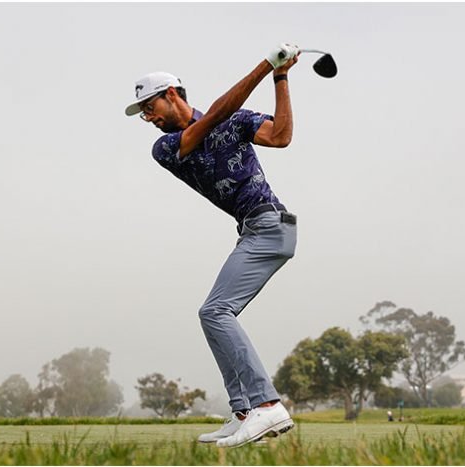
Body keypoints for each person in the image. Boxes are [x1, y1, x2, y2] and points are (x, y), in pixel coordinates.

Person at [125, 43, 300, 447]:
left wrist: (280, 77)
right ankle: (243, 412)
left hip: (271, 225)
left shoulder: (235, 120)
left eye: (149, 107)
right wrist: (268, 66)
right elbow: (215, 116)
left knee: (215, 311)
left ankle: (266, 407)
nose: (147, 118)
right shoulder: (166, 147)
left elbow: (281, 136)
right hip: (258, 229)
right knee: (215, 314)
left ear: (172, 95)